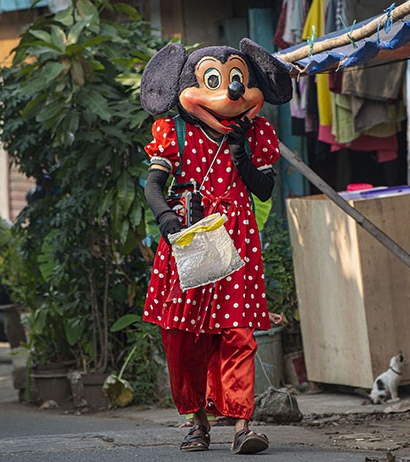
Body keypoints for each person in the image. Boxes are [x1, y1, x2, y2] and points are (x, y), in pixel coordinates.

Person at [139, 39, 292, 454]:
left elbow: (263, 189)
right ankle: (197, 421)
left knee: (238, 333)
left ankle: (243, 425)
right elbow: (154, 186)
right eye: (214, 81)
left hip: (237, 243)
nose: (231, 92)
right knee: (182, 337)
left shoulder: (257, 133)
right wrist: (167, 219)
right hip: (188, 239)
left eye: (237, 80)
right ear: (188, 86)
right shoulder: (173, 132)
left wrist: (242, 158)